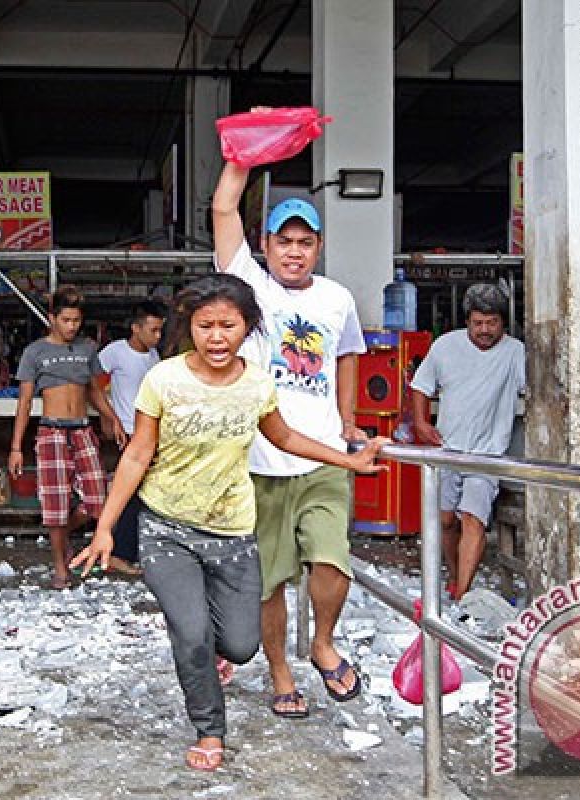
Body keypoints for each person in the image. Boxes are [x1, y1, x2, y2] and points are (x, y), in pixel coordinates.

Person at [72, 274, 387, 772]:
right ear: (189, 327)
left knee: (241, 645)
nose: (216, 337)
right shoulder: (164, 380)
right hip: (166, 527)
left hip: (233, 532)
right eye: (205, 326)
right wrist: (106, 527)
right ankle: (210, 730)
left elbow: (284, 438)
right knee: (192, 631)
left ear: (247, 328)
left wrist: (349, 461)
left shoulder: (257, 385)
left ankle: (209, 653)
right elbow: (137, 455)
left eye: (228, 326)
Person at [212, 158, 368, 718]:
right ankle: (281, 673)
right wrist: (242, 158)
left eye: (305, 242)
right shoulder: (250, 287)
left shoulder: (336, 299)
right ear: (267, 245)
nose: (295, 252)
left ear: (318, 247)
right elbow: (223, 207)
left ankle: (322, 643)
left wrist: (348, 420)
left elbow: (349, 353)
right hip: (259, 464)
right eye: (285, 242)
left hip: (322, 456)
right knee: (268, 583)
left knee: (331, 562)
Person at [409, 282, 526, 601]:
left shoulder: (516, 352)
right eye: (478, 323)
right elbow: (420, 386)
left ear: (503, 322)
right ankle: (454, 572)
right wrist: (421, 423)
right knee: (446, 521)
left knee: (473, 520)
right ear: (467, 322)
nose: (485, 330)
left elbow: (536, 392)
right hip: (447, 450)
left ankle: (461, 593)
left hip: (486, 457)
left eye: (492, 323)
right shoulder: (446, 346)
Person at [9, 287, 126, 590]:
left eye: (76, 320)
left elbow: (96, 393)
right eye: (66, 320)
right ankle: (60, 566)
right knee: (56, 504)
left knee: (97, 500)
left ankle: (62, 539)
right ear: (52, 319)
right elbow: (23, 402)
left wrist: (113, 419)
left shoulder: (87, 349)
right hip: (51, 431)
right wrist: (15, 448)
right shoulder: (35, 352)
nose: (72, 326)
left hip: (83, 429)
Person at [95, 300, 167, 573]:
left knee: (138, 494)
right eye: (153, 330)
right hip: (125, 432)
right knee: (129, 494)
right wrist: (109, 417)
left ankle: (127, 549)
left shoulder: (153, 357)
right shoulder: (115, 352)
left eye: (160, 331)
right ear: (136, 329)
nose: (157, 336)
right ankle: (119, 552)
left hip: (145, 432)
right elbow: (94, 385)